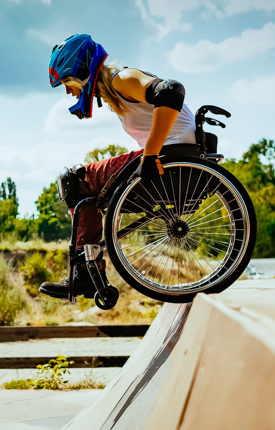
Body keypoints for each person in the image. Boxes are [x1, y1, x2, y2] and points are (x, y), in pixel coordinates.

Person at [38, 33, 197, 300]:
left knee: (74, 179)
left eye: (67, 81)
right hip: (168, 155)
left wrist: (150, 155)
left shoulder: (121, 79)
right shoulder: (115, 93)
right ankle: (88, 270)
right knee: (84, 192)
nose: (67, 90)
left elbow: (171, 91)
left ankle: (87, 274)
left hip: (169, 156)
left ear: (81, 71)